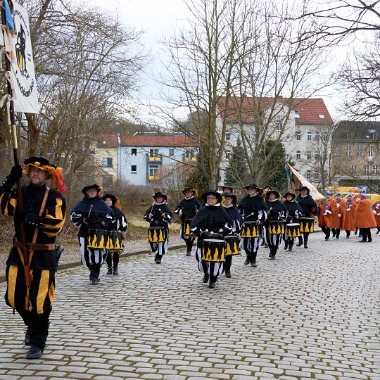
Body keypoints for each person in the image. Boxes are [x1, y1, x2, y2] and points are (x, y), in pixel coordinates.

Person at [1, 156, 66, 359]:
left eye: (39, 171)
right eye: (32, 170)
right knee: (15, 297)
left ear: (47, 175)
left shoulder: (55, 197)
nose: (35, 173)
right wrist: (9, 181)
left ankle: (38, 340)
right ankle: (35, 325)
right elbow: (4, 207)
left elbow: (55, 224)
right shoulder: (20, 192)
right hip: (19, 252)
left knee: (40, 300)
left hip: (43, 254)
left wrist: (30, 218)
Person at [70, 184, 115, 284]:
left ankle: (95, 274)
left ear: (97, 192)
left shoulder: (102, 203)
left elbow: (110, 217)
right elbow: (73, 216)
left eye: (94, 190)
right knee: (85, 255)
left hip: (98, 233)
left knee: (97, 254)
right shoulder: (82, 204)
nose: (92, 192)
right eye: (90, 191)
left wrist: (101, 222)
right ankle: (92, 269)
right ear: (86, 192)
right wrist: (83, 220)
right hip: (85, 232)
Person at [190, 190, 232, 288]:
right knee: (202, 259)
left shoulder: (221, 210)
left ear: (217, 199)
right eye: (208, 198)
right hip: (203, 239)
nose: (210, 200)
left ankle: (213, 278)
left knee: (215, 260)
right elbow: (194, 224)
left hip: (217, 240)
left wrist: (221, 231)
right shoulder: (202, 210)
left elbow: (228, 225)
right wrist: (199, 231)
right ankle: (206, 273)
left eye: (212, 198)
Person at [237, 183, 267, 267]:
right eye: (249, 189)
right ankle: (248, 256)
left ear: (255, 190)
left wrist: (260, 219)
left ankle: (253, 259)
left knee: (254, 243)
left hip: (255, 224)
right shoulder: (244, 200)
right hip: (245, 224)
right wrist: (241, 219)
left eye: (252, 189)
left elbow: (262, 212)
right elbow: (240, 211)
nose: (250, 191)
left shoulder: (259, 200)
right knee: (245, 243)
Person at [144, 191, 173, 264]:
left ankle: (159, 257)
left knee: (161, 244)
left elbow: (170, 218)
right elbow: (146, 216)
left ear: (162, 198)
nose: (159, 199)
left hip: (163, 227)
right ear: (156, 199)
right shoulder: (153, 206)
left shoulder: (165, 207)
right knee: (153, 244)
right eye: (157, 198)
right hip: (153, 227)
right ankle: (156, 253)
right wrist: (149, 216)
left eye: (160, 198)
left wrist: (165, 216)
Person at [103, 194, 128, 275]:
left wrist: (121, 229)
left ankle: (115, 268)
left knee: (116, 252)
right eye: (106, 200)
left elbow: (124, 223)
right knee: (108, 252)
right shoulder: (102, 211)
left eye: (109, 200)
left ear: (112, 202)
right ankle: (109, 268)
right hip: (105, 234)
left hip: (116, 234)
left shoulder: (118, 212)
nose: (108, 202)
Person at [174, 187, 201, 256]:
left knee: (191, 236)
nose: (188, 194)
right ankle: (188, 244)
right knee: (183, 236)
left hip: (192, 221)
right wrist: (179, 211)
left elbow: (200, 210)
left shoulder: (195, 201)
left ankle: (189, 249)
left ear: (192, 193)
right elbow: (177, 209)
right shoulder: (183, 201)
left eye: (189, 192)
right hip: (184, 221)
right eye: (186, 193)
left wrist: (197, 212)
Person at [222, 192, 243, 277]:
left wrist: (237, 232)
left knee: (229, 253)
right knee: (221, 252)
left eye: (229, 199)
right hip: (220, 234)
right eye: (225, 199)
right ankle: (221, 267)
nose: (227, 201)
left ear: (231, 200)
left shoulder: (234, 210)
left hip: (230, 234)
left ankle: (227, 270)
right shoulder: (220, 209)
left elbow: (238, 222)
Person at [264, 190, 287, 259]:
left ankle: (273, 253)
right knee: (268, 239)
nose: (272, 196)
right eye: (270, 195)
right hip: (268, 223)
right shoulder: (266, 203)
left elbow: (284, 212)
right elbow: (262, 212)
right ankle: (271, 249)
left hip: (277, 223)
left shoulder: (279, 203)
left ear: (275, 196)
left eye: (273, 195)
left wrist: (279, 215)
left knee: (276, 239)